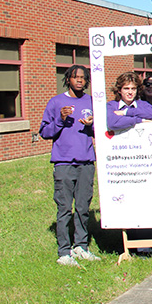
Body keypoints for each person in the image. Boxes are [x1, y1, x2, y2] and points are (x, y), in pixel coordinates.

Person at [39, 65, 100, 266]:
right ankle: (64, 252)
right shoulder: (56, 102)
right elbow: (45, 132)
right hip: (64, 162)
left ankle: (81, 247)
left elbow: (101, 132)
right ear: (68, 80)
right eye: (75, 77)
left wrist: (92, 125)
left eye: (83, 77)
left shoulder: (91, 101)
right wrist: (61, 119)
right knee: (64, 208)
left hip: (86, 162)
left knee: (83, 207)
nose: (79, 81)